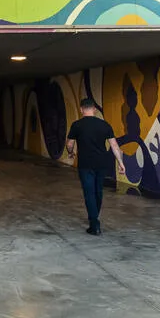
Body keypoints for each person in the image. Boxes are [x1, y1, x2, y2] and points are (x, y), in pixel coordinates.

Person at [65, 98, 123, 236]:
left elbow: (69, 144)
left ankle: (94, 223)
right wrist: (121, 162)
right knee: (98, 191)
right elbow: (114, 145)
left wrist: (70, 153)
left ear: (81, 109)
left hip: (85, 164)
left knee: (89, 193)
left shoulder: (77, 125)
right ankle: (95, 216)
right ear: (95, 109)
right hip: (101, 164)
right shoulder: (104, 125)